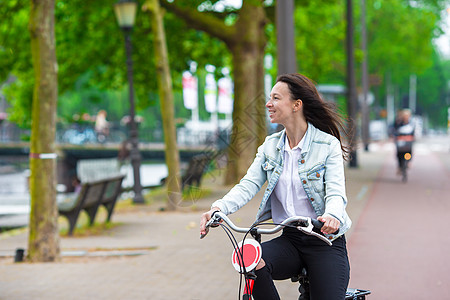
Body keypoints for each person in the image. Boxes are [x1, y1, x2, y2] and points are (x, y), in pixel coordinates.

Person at [200, 73, 352, 300]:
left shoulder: (326, 144)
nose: (268, 104)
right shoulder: (270, 146)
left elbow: (336, 192)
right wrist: (219, 208)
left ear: (296, 105)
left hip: (324, 240)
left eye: (276, 98)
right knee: (248, 260)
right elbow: (248, 184)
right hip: (291, 239)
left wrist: (332, 216)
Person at [392, 109, 415, 174]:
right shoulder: (399, 123)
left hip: (408, 141)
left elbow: (413, 132)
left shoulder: (411, 123)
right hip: (400, 141)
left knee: (408, 152)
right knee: (399, 153)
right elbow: (394, 130)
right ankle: (400, 166)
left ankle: (408, 162)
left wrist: (413, 137)